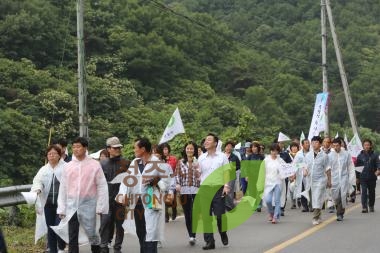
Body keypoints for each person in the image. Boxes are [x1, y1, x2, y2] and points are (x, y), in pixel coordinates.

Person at [117, 137, 172, 253]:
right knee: (141, 231)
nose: (134, 150)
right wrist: (123, 194)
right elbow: (127, 180)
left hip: (152, 200)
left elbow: (167, 183)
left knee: (151, 232)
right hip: (137, 202)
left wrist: (156, 182)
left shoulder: (158, 163)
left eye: (135, 148)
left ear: (143, 149)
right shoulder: (135, 162)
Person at [57, 137, 109, 253]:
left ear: (85, 148)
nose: (76, 149)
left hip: (89, 204)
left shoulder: (94, 165)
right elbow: (63, 187)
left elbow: (102, 185)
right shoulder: (68, 166)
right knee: (72, 234)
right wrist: (62, 207)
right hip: (72, 205)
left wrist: (101, 206)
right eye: (74, 147)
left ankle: (96, 250)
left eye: (78, 146)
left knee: (92, 233)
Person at [196, 133, 230, 250]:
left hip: (218, 188)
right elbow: (199, 174)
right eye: (205, 140)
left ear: (215, 143)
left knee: (220, 215)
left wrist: (226, 186)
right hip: (205, 188)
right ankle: (210, 242)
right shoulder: (201, 158)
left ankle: (223, 232)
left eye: (209, 140)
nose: (206, 142)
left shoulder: (222, 157)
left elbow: (226, 172)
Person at [31, 145, 66, 253]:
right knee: (50, 229)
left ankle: (61, 246)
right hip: (48, 204)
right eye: (49, 154)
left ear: (59, 155)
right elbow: (38, 181)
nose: (51, 156)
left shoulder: (66, 167)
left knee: (59, 228)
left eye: (54, 153)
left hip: (62, 205)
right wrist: (37, 189)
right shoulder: (44, 169)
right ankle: (53, 250)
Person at [99, 137, 130, 253]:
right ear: (108, 149)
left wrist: (128, 197)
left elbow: (130, 182)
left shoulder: (126, 163)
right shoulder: (102, 164)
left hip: (120, 200)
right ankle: (104, 245)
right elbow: (97, 183)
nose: (118, 149)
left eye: (119, 147)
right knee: (105, 222)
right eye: (115, 148)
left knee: (120, 224)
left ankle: (117, 247)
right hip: (106, 199)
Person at [176, 141, 200, 245]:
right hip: (184, 190)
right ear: (185, 150)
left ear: (194, 150)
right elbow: (176, 175)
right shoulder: (180, 162)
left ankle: (193, 234)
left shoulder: (198, 162)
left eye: (191, 149)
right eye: (188, 148)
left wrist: (196, 167)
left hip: (196, 190)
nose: (189, 150)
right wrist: (177, 184)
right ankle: (191, 235)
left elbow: (201, 175)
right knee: (187, 214)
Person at [303, 136, 331, 225]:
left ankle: (315, 217)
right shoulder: (308, 155)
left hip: (321, 180)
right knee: (313, 200)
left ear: (320, 144)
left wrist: (329, 181)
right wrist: (305, 171)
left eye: (316, 142)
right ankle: (318, 215)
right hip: (310, 180)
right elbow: (305, 165)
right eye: (313, 142)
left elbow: (328, 169)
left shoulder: (324, 156)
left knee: (318, 197)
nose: (314, 144)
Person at [329, 138, 355, 221]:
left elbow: (350, 166)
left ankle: (340, 213)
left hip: (343, 178)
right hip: (334, 179)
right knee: (335, 197)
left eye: (337, 145)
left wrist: (351, 179)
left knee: (342, 196)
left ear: (340, 145)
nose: (336, 147)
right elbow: (327, 168)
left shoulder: (346, 154)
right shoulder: (329, 155)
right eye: (334, 146)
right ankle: (338, 209)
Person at [355, 139, 380, 213]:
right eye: (365, 145)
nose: (366, 146)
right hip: (363, 177)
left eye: (368, 145)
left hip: (372, 177)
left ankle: (371, 205)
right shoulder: (360, 156)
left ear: (370, 146)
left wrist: (378, 170)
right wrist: (357, 177)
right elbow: (357, 167)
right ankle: (364, 207)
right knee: (364, 191)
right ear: (363, 146)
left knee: (372, 192)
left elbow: (378, 163)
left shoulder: (375, 155)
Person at [263, 143, 285, 224]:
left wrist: (290, 175)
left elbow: (285, 170)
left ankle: (275, 216)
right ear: (270, 151)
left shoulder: (280, 160)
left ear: (278, 151)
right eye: (273, 151)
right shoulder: (266, 160)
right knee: (268, 200)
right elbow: (262, 171)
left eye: (276, 151)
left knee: (277, 200)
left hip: (277, 182)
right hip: (268, 182)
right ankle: (271, 213)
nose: (274, 152)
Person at [161, 142, 178, 222]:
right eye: (163, 149)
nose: (165, 151)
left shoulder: (173, 159)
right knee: (164, 200)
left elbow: (176, 170)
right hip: (163, 182)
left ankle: (174, 210)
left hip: (172, 180)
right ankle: (166, 215)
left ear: (168, 150)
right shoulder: (160, 160)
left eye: (166, 149)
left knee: (172, 199)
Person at [293, 139, 311, 212]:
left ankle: (311, 205)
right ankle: (305, 206)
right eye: (306, 143)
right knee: (303, 190)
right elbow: (295, 164)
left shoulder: (312, 153)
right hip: (302, 175)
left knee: (310, 190)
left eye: (308, 143)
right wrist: (293, 174)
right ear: (302, 145)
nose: (308, 144)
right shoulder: (299, 154)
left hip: (310, 174)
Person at [224, 141, 240, 210]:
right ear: (225, 147)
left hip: (231, 175)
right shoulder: (221, 156)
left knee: (229, 191)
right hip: (222, 175)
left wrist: (234, 168)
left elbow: (239, 166)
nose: (228, 148)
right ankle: (228, 205)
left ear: (232, 148)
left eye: (230, 146)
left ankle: (230, 206)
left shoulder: (234, 157)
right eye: (227, 146)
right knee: (222, 191)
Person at [288, 142, 300, 209]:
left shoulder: (300, 154)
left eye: (295, 147)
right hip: (291, 173)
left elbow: (302, 164)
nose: (294, 148)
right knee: (291, 188)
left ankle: (299, 199)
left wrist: (295, 166)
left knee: (299, 187)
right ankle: (293, 203)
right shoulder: (288, 155)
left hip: (299, 173)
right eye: (292, 147)